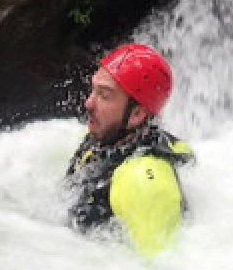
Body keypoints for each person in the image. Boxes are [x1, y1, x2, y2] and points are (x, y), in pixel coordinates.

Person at [65, 43, 194, 257]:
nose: (88, 103)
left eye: (104, 95)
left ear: (137, 114)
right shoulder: (106, 140)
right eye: (93, 90)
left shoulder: (142, 180)